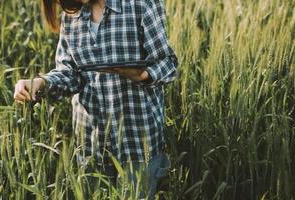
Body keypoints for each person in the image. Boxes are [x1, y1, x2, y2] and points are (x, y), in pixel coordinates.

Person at [14, 0, 178, 199]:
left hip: (136, 141)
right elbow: (70, 74)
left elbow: (168, 64)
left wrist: (143, 75)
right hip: (91, 143)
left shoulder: (141, 4)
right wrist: (40, 83)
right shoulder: (72, 14)